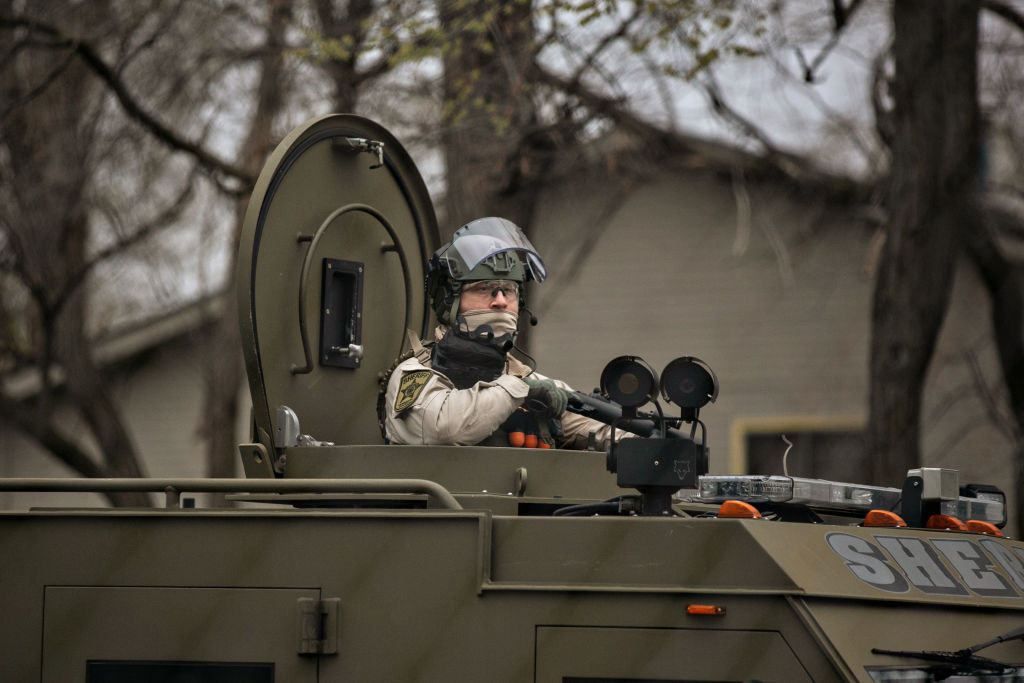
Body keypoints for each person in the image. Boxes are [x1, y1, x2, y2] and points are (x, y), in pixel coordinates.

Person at [380, 216, 618, 449]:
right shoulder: (413, 373)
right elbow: (444, 429)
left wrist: (640, 435)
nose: (501, 301)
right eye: (485, 288)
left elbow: (603, 431)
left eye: (509, 290)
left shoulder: (532, 380)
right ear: (449, 300)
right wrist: (520, 391)